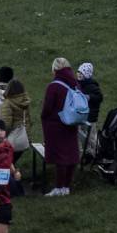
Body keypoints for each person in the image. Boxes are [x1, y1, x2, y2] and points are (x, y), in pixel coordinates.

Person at [40, 57, 83, 195]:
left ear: (55, 69)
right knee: (71, 154)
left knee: (60, 157)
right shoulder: (75, 84)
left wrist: (44, 117)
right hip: (72, 123)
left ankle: (59, 187)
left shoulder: (54, 86)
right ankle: (67, 187)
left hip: (56, 125)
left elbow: (47, 108)